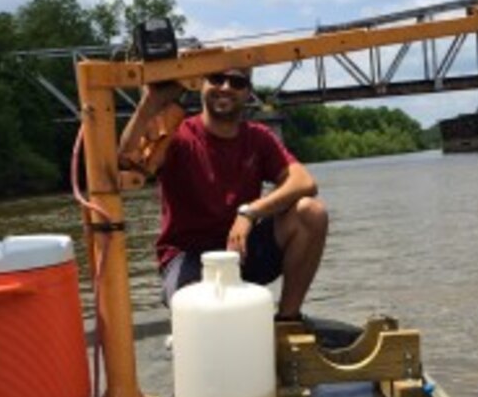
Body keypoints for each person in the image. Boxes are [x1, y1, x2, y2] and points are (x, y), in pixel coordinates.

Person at [118, 67, 327, 321]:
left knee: (311, 212)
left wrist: (251, 212)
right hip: (188, 257)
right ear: (201, 84)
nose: (226, 87)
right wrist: (150, 104)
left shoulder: (259, 137)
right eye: (217, 78)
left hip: (242, 250)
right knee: (200, 312)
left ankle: (288, 321)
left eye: (237, 82)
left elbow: (304, 181)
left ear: (248, 92)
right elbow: (127, 161)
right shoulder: (177, 137)